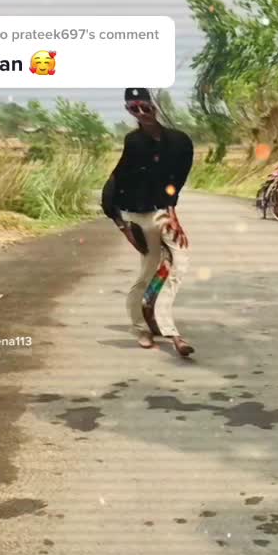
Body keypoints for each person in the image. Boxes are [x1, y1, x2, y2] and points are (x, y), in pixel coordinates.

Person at [101, 88, 194, 357]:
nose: (141, 113)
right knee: (148, 271)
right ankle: (142, 328)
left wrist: (172, 213)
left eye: (145, 106)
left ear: (156, 106)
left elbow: (175, 182)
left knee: (180, 262)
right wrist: (123, 227)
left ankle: (168, 328)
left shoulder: (179, 141)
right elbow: (115, 181)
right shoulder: (133, 142)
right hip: (137, 216)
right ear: (129, 111)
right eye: (134, 109)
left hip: (161, 212)